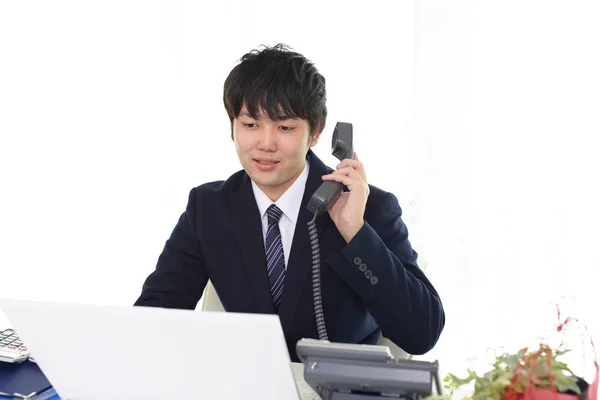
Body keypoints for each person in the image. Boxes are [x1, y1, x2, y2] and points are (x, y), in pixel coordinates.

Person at [134, 44, 445, 362]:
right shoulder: (208, 208)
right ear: (233, 127)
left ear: (316, 132)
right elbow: (152, 321)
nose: (265, 143)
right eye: (250, 125)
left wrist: (356, 232)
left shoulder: (370, 206)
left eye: (284, 127)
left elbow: (421, 333)